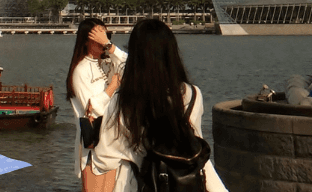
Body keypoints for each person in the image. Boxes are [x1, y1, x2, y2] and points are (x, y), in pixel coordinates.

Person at [87, 18, 227, 192]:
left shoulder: (124, 99)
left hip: (141, 183)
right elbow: (195, 139)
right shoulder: (192, 94)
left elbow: (104, 159)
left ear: (136, 56)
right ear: (171, 53)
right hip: (188, 181)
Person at [67, 18, 126, 189]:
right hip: (93, 145)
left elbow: (131, 67)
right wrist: (112, 87)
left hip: (112, 144)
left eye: (106, 35)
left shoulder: (107, 63)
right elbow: (91, 109)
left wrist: (110, 46)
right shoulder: (80, 70)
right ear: (86, 41)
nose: (103, 40)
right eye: (98, 37)